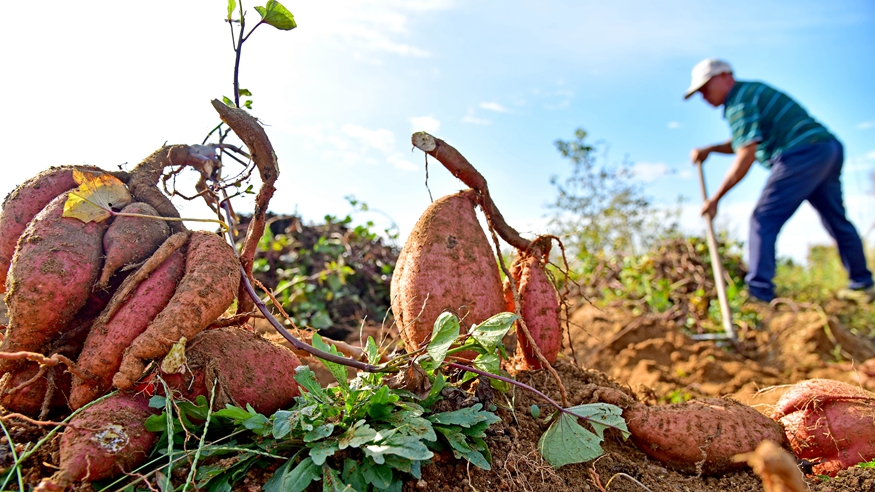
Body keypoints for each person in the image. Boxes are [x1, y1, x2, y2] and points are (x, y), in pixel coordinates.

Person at [684, 58, 873, 304]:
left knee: (763, 218)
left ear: (723, 76)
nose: (704, 97)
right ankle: (863, 285)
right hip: (826, 148)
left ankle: (759, 294)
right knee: (836, 221)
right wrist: (711, 149)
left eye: (704, 89)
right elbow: (746, 139)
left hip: (801, 153)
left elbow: (746, 152)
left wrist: (716, 198)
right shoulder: (750, 93)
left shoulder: (739, 101)